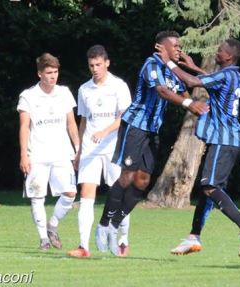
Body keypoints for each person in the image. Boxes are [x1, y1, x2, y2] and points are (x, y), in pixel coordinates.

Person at [94, 31, 209, 255]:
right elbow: (163, 92)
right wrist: (189, 103)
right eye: (174, 45)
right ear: (160, 46)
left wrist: (194, 78)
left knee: (143, 181)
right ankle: (103, 225)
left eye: (180, 45)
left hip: (152, 130)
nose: (178, 48)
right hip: (135, 127)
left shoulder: (173, 71)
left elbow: (188, 87)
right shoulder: (151, 65)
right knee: (127, 176)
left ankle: (115, 225)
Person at [156, 38, 240, 257]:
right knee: (207, 190)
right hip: (226, 139)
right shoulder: (232, 74)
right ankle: (194, 237)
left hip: (225, 139)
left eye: (220, 50)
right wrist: (190, 65)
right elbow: (204, 78)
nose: (217, 51)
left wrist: (168, 62)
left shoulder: (227, 74)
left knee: (209, 185)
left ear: (229, 56)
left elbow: (194, 83)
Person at [66, 45, 132, 258]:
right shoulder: (85, 89)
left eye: (98, 64)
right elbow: (84, 120)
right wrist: (79, 151)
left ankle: (122, 239)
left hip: (113, 148)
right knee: (86, 193)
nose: (95, 69)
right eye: (91, 65)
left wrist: (104, 132)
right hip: (90, 150)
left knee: (118, 195)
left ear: (107, 63)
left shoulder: (119, 86)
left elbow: (124, 118)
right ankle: (83, 246)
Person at [17, 53, 80, 251]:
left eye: (55, 72)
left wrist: (77, 148)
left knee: (70, 193)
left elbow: (71, 124)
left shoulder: (64, 93)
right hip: (37, 154)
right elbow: (25, 127)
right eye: (49, 73)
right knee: (37, 196)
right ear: (39, 74)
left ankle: (52, 225)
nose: (53, 76)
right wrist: (24, 155)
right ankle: (43, 238)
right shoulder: (28, 96)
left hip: (62, 153)